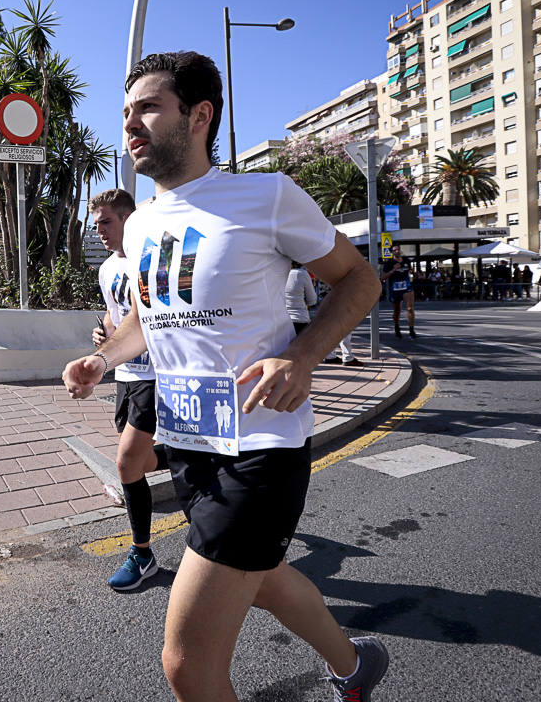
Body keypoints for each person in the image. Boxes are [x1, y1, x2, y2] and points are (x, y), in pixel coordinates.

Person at [62, 52, 388, 702]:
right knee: (262, 579)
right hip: (189, 446)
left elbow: (359, 279)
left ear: (199, 115)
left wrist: (303, 356)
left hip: (259, 452)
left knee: (186, 664)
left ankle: (354, 671)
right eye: (126, 111)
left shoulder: (266, 196)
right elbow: (146, 321)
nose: (131, 123)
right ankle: (356, 669)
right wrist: (104, 358)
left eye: (149, 107)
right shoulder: (145, 222)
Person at [90, 188, 167, 592]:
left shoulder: (149, 260)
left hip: (157, 375)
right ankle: (192, 461)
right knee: (138, 461)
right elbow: (114, 314)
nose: (99, 229)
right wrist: (103, 337)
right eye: (96, 222)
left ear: (127, 219)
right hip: (126, 377)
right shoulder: (105, 269)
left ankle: (143, 554)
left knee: (125, 464)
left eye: (107, 221)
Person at [380, 244, 416, 338]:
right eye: (395, 250)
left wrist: (413, 272)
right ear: (392, 252)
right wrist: (393, 269)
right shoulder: (389, 263)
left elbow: (411, 270)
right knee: (397, 311)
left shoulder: (406, 260)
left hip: (406, 287)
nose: (397, 251)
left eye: (398, 250)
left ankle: (411, 330)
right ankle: (396, 327)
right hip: (395, 289)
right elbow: (383, 277)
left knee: (410, 308)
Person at [285, 262, 317, 335]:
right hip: (300, 320)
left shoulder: (280, 273)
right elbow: (312, 301)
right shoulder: (302, 274)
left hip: (284, 322)